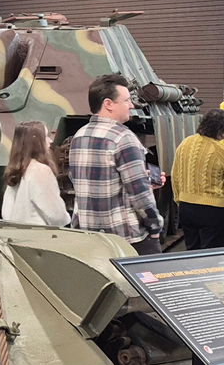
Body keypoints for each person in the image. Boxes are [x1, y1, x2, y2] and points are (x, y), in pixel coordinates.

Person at [68, 75, 164, 255]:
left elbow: (82, 182)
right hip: (126, 240)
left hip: (90, 238)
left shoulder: (79, 136)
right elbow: (139, 192)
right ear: (108, 104)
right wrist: (155, 226)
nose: (131, 105)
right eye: (126, 100)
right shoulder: (123, 137)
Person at [171, 109, 224, 249]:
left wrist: (179, 199)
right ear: (221, 129)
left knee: (192, 251)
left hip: (186, 206)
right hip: (214, 210)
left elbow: (175, 175)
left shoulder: (185, 143)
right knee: (212, 254)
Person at [0, 120, 70, 227]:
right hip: (39, 233)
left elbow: (6, 212)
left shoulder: (16, 169)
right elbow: (56, 215)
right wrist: (66, 219)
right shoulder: (41, 171)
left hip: (15, 232)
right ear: (36, 143)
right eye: (45, 137)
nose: (50, 141)